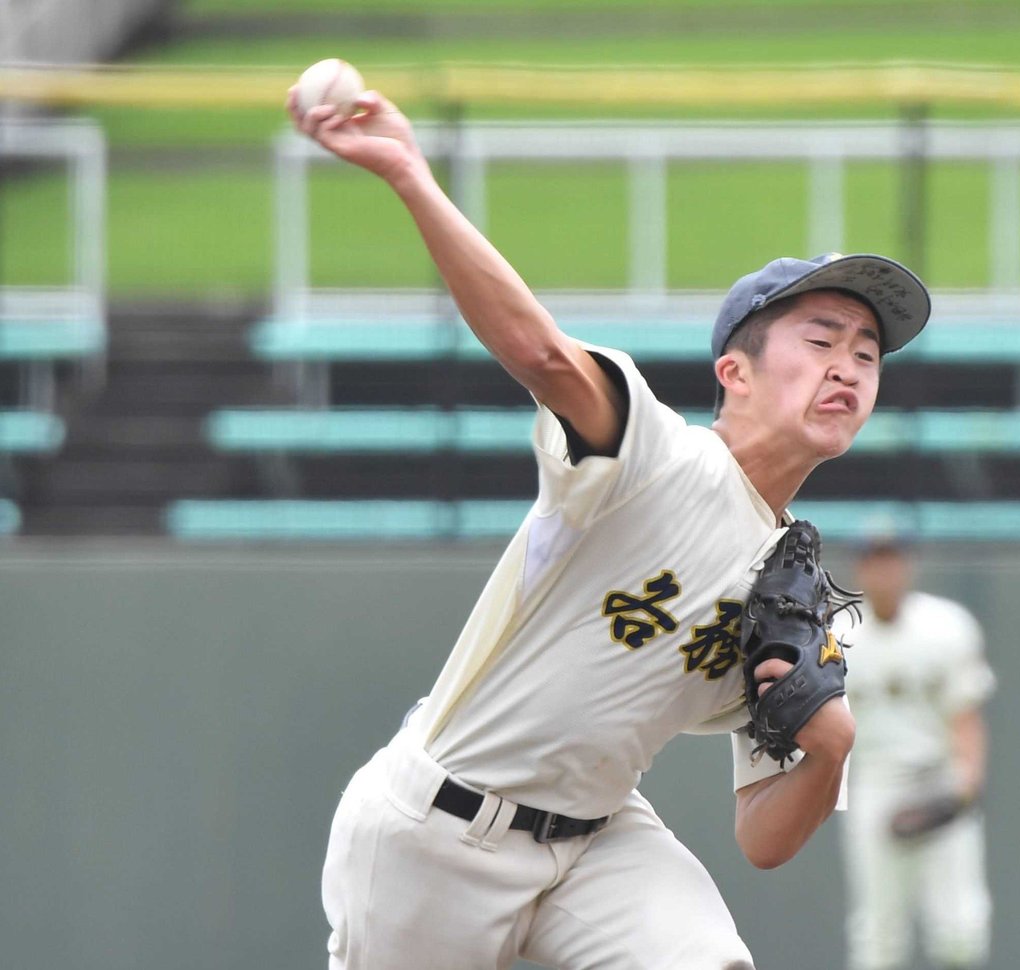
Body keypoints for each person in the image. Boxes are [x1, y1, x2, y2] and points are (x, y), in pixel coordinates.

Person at [289, 87, 932, 970]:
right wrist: (409, 175)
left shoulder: (791, 595)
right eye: (822, 339)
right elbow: (542, 354)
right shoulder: (651, 454)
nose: (849, 367)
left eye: (867, 354)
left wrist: (828, 755)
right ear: (733, 372)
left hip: (597, 841)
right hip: (434, 831)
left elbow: (764, 839)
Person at [835, 536, 995, 970]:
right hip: (877, 783)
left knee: (961, 928)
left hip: (938, 777)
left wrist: (965, 786)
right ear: (859, 570)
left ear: (908, 565)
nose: (884, 571)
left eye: (891, 559)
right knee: (878, 931)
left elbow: (964, 714)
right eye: (873, 560)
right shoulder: (839, 635)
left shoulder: (946, 625)